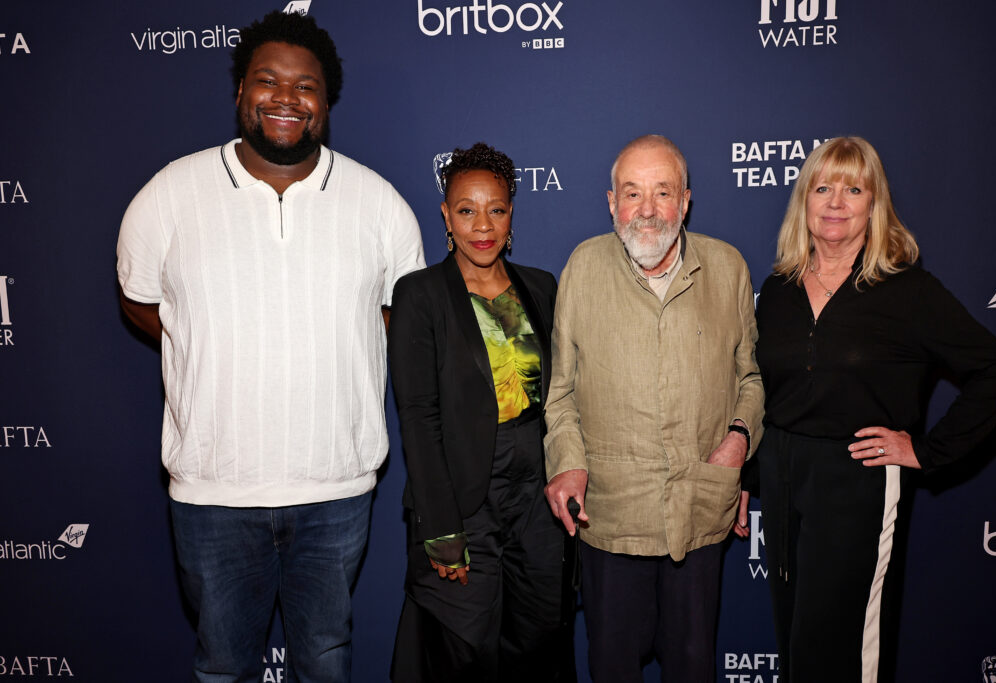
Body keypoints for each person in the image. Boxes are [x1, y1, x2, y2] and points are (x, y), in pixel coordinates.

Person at [116, 11, 424, 682]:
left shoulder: (380, 205)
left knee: (325, 662)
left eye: (305, 85)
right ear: (239, 92)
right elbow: (141, 303)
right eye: (267, 81)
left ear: (327, 100)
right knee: (224, 666)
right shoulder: (169, 194)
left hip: (336, 491)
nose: (286, 99)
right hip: (212, 492)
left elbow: (393, 316)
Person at [752, 136, 996, 683]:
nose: (835, 201)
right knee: (796, 647)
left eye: (853, 189)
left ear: (875, 205)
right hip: (780, 477)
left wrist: (926, 449)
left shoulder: (906, 290)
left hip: (858, 481)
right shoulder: (777, 288)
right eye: (823, 187)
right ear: (803, 199)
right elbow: (761, 390)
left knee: (847, 654)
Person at [543, 134, 764, 682]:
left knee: (693, 666)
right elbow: (562, 391)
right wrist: (567, 463)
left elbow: (751, 378)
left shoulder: (728, 267)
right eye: (632, 193)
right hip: (611, 514)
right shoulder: (583, 267)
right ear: (611, 202)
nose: (647, 210)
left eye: (662, 193)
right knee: (612, 666)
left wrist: (738, 440)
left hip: (699, 507)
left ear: (685, 201)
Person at [387, 142, 572, 682]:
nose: (482, 225)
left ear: (512, 213)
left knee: (538, 637)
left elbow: (562, 393)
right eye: (466, 210)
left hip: (535, 494)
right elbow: (418, 417)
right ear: (446, 216)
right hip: (463, 494)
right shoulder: (419, 295)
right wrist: (441, 526)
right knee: (464, 645)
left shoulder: (539, 287)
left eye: (496, 209)